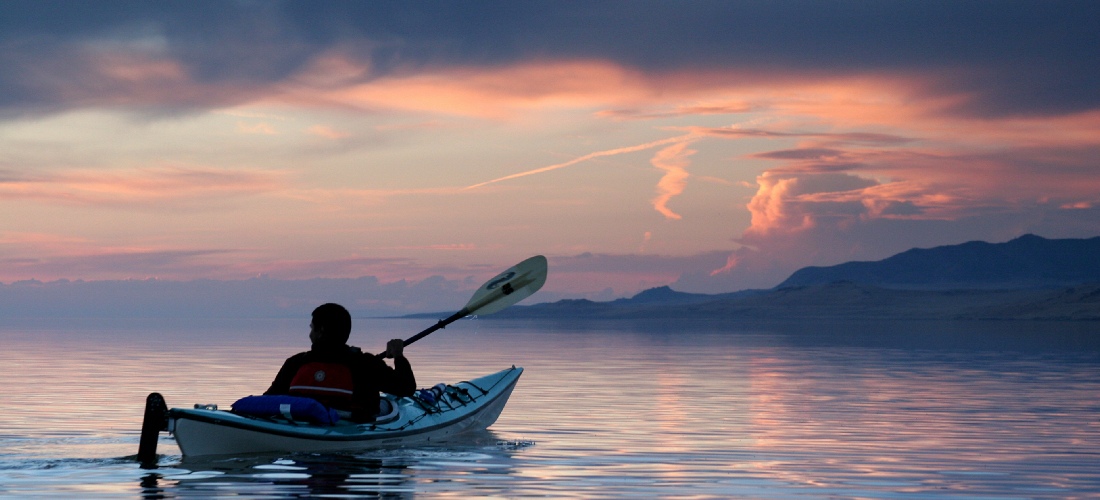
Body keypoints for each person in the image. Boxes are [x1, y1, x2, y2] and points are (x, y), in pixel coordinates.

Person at [264, 303, 416, 421]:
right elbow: (406, 388)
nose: (310, 334)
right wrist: (398, 355)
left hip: (301, 425)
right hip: (354, 428)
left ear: (321, 331)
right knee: (389, 404)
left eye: (312, 328)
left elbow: (268, 400)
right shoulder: (366, 363)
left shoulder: (295, 363)